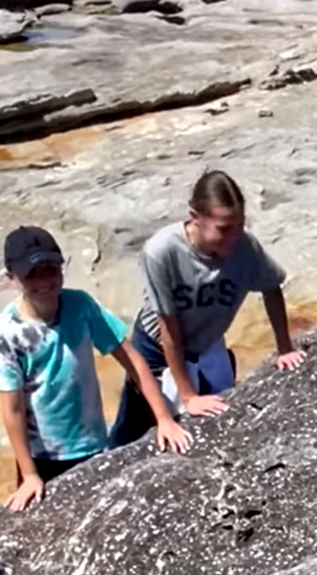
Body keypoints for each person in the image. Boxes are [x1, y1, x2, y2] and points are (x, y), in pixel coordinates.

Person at [0, 226, 192, 512]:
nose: (43, 280)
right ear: (11, 278)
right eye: (31, 274)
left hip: (93, 445)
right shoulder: (5, 335)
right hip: (42, 458)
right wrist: (30, 474)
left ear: (62, 267)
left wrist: (164, 418)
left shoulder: (80, 306)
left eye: (50, 269)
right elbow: (12, 409)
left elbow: (131, 359)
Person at [113, 170, 306, 446]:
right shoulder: (162, 252)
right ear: (195, 217)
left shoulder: (245, 246)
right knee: (136, 431)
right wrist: (189, 396)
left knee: (223, 418)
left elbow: (271, 287)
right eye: (224, 228)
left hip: (207, 343)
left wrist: (284, 348)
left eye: (240, 225)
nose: (234, 237)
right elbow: (169, 331)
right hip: (158, 348)